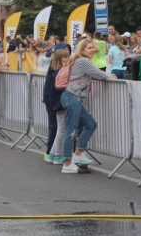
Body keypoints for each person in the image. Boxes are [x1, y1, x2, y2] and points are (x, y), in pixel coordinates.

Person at [61, 39, 115, 174]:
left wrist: (91, 43)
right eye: (89, 48)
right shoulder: (83, 61)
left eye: (92, 47)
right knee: (71, 131)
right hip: (73, 97)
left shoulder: (80, 60)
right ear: (82, 50)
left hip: (75, 98)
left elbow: (97, 50)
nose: (93, 49)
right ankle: (67, 163)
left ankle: (78, 153)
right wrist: (111, 77)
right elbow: (100, 75)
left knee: (90, 124)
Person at [43, 48, 70, 164]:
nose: (68, 58)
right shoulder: (60, 70)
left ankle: (52, 154)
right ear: (59, 59)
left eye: (68, 56)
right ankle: (58, 155)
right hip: (60, 102)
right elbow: (59, 86)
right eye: (65, 57)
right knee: (62, 129)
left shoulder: (53, 70)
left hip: (56, 102)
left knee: (60, 128)